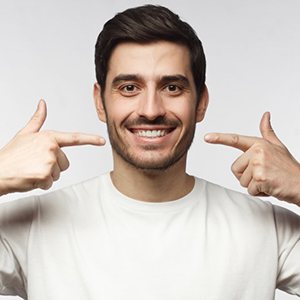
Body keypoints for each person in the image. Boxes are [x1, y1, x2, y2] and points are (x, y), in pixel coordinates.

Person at [0, 4, 299, 300]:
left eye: (172, 88)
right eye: (129, 88)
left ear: (201, 102)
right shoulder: (31, 228)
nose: (151, 110)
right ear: (100, 102)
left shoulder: (267, 228)